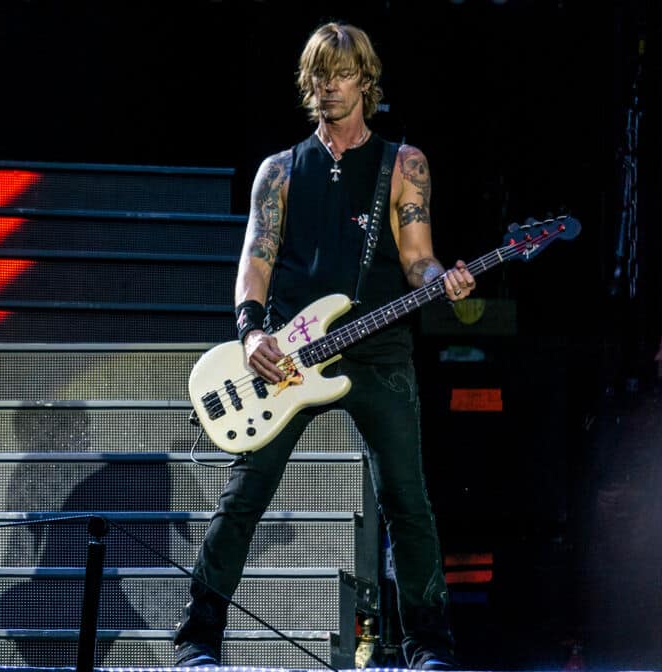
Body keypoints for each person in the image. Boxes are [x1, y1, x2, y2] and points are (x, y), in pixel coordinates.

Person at [173, 23, 474, 670]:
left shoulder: (404, 164)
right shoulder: (279, 171)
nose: (329, 86)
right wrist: (252, 331)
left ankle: (428, 647)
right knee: (245, 495)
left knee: (407, 501)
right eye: (319, 75)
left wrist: (440, 280)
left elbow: (417, 258)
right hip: (289, 354)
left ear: (366, 80)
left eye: (341, 74)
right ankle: (197, 639)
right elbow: (256, 259)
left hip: (379, 350)